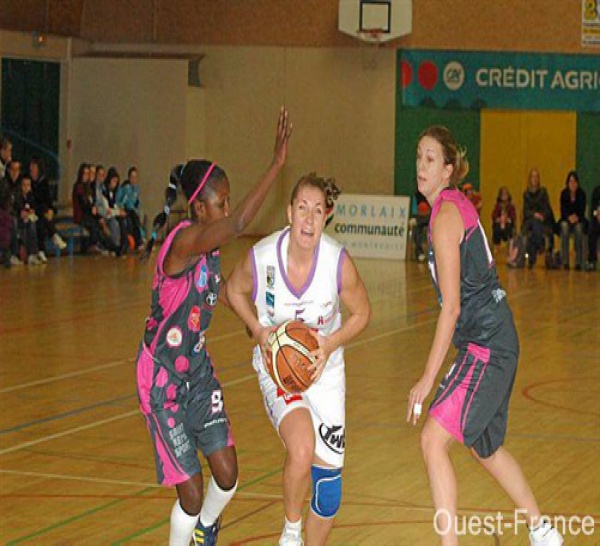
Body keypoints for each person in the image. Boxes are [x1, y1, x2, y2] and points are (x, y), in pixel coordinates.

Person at [136, 107, 292, 546]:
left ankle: (206, 528)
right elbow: (239, 224)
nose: (226, 209)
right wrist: (277, 165)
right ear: (198, 206)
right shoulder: (185, 240)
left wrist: (256, 324)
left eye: (227, 201)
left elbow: (220, 292)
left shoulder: (208, 252)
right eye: (220, 203)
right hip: (162, 378)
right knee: (191, 493)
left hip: (197, 373)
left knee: (228, 476)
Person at [406, 126, 563, 546]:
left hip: (487, 344)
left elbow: (452, 307)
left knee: (432, 441)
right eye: (418, 156)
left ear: (448, 170)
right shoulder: (453, 206)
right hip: (495, 339)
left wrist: (426, 378)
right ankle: (543, 532)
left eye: (431, 159)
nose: (421, 166)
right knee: (485, 448)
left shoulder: (444, 216)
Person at [225, 173, 371, 546]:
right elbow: (232, 290)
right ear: (289, 213)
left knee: (329, 493)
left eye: (317, 211)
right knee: (302, 448)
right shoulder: (262, 257)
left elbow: (362, 313)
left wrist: (330, 343)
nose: (308, 218)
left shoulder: (337, 262)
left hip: (326, 369)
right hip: (280, 370)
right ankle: (291, 532)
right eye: (302, 209)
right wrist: (259, 332)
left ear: (327, 217)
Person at [521, 169, 555, 269]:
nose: (534, 179)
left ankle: (533, 255)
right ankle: (540, 245)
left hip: (543, 221)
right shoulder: (526, 194)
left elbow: (548, 209)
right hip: (530, 221)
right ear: (530, 179)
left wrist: (542, 215)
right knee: (535, 224)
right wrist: (534, 214)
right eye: (532, 176)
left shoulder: (543, 193)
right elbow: (525, 211)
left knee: (536, 229)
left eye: (536, 177)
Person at [558, 170, 586, 270]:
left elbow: (582, 211)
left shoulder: (581, 194)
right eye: (570, 181)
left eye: (574, 181)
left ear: (577, 183)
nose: (572, 184)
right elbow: (563, 211)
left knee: (579, 230)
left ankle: (578, 262)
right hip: (566, 219)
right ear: (567, 183)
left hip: (578, 220)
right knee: (564, 228)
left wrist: (576, 218)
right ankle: (565, 261)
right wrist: (569, 218)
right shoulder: (563, 194)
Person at [586, 184, 600, 271]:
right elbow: (593, 210)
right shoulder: (597, 191)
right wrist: (597, 215)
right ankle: (592, 260)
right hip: (597, 220)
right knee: (592, 229)